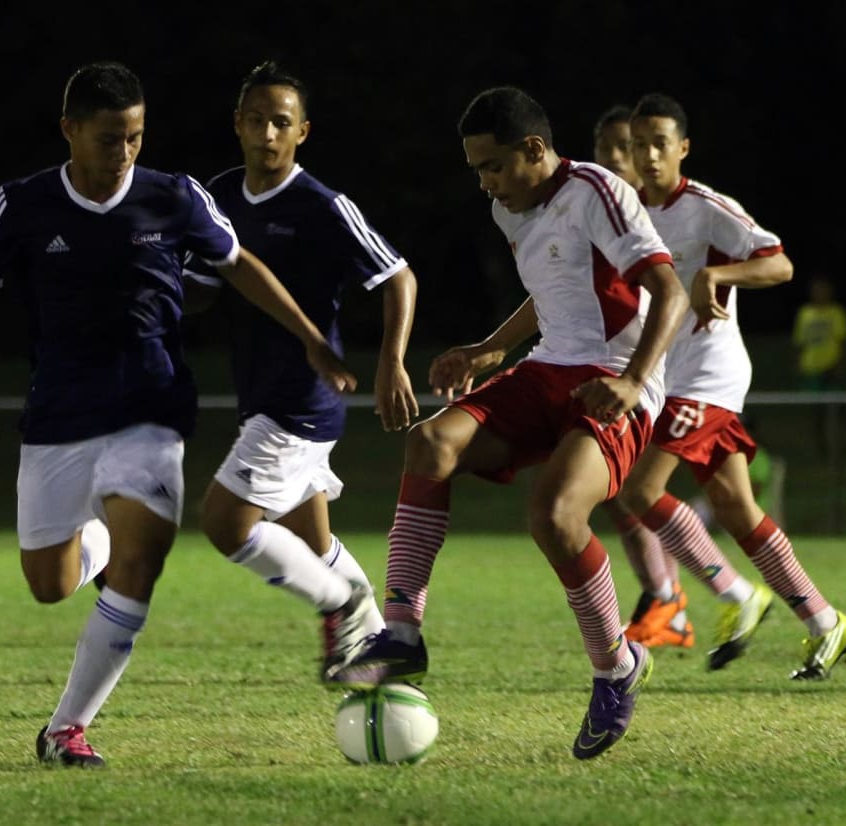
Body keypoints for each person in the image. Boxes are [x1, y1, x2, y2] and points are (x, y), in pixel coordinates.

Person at [0, 61, 358, 768]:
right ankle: (102, 544)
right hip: (57, 417)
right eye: (110, 138)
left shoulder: (175, 197)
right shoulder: (24, 205)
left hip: (151, 408)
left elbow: (239, 265)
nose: (125, 153)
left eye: (136, 138)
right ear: (70, 131)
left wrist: (310, 339)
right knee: (49, 586)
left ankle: (66, 729)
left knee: (147, 555)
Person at [331, 86, 689, 760]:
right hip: (546, 370)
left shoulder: (599, 190)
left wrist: (634, 379)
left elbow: (668, 288)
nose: (485, 183)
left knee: (554, 517)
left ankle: (617, 668)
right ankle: (403, 633)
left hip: (612, 379)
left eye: (493, 166)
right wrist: (492, 346)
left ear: (534, 149)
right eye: (476, 170)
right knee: (431, 441)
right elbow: (555, 284)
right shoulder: (510, 205)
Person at [183, 60, 419, 681]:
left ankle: (341, 606)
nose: (267, 133)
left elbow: (398, 276)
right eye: (256, 120)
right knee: (314, 545)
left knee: (225, 522)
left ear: (302, 132)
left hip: (304, 397)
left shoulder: (322, 206)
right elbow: (202, 287)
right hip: (259, 391)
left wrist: (391, 362)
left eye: (280, 122)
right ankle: (381, 644)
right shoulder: (220, 196)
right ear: (237, 124)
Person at [617, 92, 846, 679]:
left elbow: (780, 264)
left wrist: (718, 273)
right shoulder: (625, 214)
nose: (648, 155)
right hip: (668, 378)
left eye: (659, 144)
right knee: (735, 508)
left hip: (708, 375)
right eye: (638, 144)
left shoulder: (705, 207)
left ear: (682, 148)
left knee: (640, 491)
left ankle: (736, 593)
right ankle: (827, 622)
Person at [593, 104, 695, 649]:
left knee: (635, 489)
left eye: (622, 147)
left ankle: (673, 598)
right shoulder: (594, 211)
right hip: (618, 368)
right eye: (604, 146)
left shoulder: (649, 216)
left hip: (661, 374)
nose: (613, 158)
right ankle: (666, 598)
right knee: (618, 492)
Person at [792, 274, 846, 452]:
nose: (819, 293)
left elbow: (843, 341)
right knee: (817, 412)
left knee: (842, 409)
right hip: (811, 368)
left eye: (823, 290)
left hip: (830, 367)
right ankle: (821, 448)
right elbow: (800, 342)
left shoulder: (836, 312)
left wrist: (840, 365)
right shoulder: (805, 313)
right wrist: (798, 364)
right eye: (816, 290)